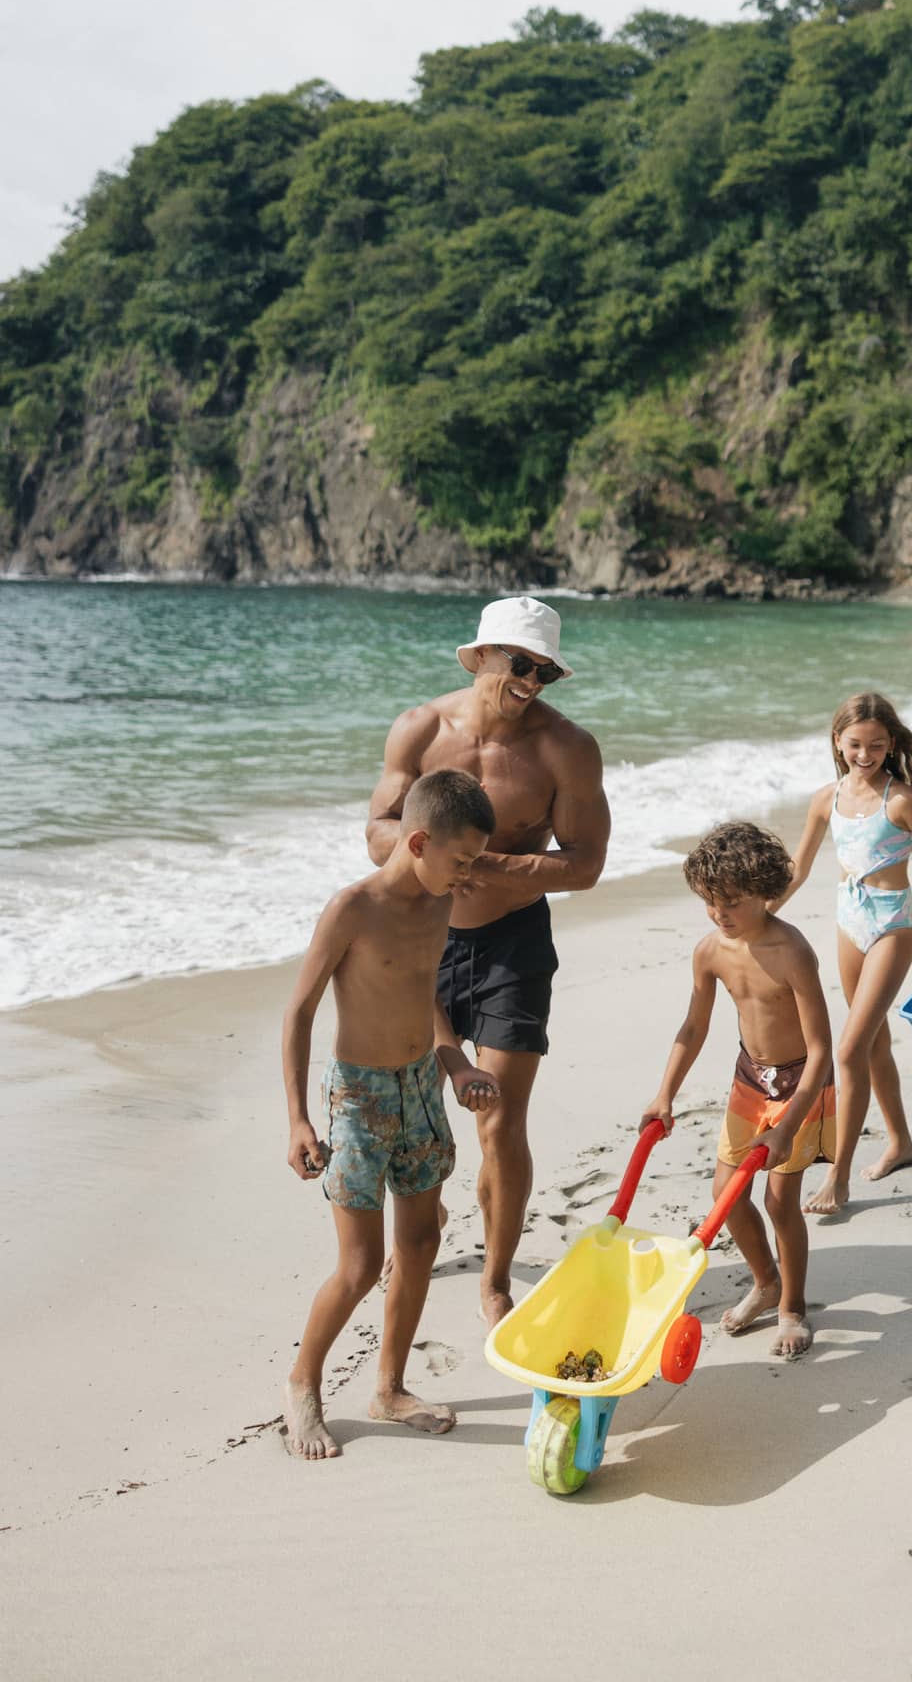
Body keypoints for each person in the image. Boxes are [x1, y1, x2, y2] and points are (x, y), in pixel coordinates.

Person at [366, 596, 610, 1327]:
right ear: (479, 656)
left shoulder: (565, 749)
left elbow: (588, 864)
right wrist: (428, 858)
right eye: (520, 663)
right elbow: (378, 827)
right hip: (423, 938)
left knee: (498, 1120)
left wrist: (492, 864)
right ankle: (420, 1230)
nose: (533, 679)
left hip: (512, 944)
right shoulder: (418, 728)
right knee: (417, 1115)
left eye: (546, 669)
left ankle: (497, 1276)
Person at [280, 769, 503, 1460]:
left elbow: (420, 994)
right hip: (359, 1097)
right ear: (416, 840)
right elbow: (299, 1012)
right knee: (359, 1264)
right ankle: (302, 1385)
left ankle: (390, 1387)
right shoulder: (353, 907)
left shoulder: (440, 901)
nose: (468, 874)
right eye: (460, 859)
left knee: (420, 1245)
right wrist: (297, 1120)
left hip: (420, 1090)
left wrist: (456, 1062)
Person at [639, 822, 835, 1359]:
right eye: (710, 902)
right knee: (724, 1197)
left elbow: (822, 1048)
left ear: (766, 893)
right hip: (751, 1080)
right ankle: (765, 1280)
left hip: (801, 1083)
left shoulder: (792, 950)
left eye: (732, 902)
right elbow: (693, 1028)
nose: (720, 914)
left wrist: (790, 1125)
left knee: (779, 1201)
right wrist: (665, 1094)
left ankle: (792, 1307)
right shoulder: (710, 951)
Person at [774, 690, 912, 1216]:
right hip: (849, 921)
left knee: (847, 1050)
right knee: (874, 1043)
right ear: (838, 742)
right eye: (856, 744)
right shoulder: (826, 799)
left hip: (892, 924)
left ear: (891, 745)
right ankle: (901, 1142)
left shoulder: (900, 799)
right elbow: (799, 867)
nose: (865, 754)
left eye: (877, 746)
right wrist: (765, 912)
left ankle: (838, 1177)